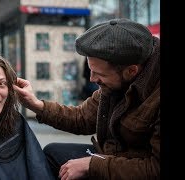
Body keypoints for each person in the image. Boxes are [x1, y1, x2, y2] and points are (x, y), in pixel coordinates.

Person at [13, 18, 160, 179]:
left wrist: (92, 165)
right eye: (91, 70)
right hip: (111, 155)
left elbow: (155, 169)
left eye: (99, 74)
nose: (91, 79)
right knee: (53, 153)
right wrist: (36, 105)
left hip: (136, 168)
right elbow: (82, 118)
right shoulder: (114, 84)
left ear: (131, 71)